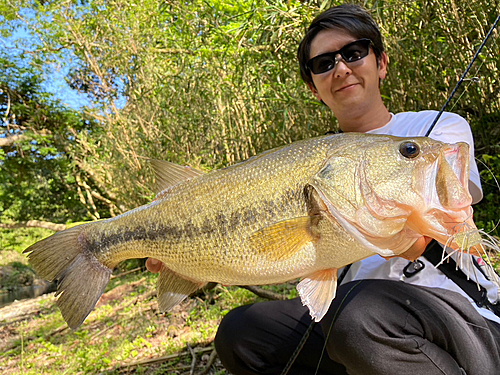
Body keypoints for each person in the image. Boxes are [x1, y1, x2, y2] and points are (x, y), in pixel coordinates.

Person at [148, 4, 500, 374]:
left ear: (381, 63)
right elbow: (279, 251)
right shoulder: (310, 163)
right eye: (324, 63)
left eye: (354, 53)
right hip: (356, 328)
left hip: (459, 319)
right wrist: (191, 255)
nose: (342, 68)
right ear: (313, 88)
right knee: (242, 332)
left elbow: (439, 231)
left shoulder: (436, 130)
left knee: (357, 312)